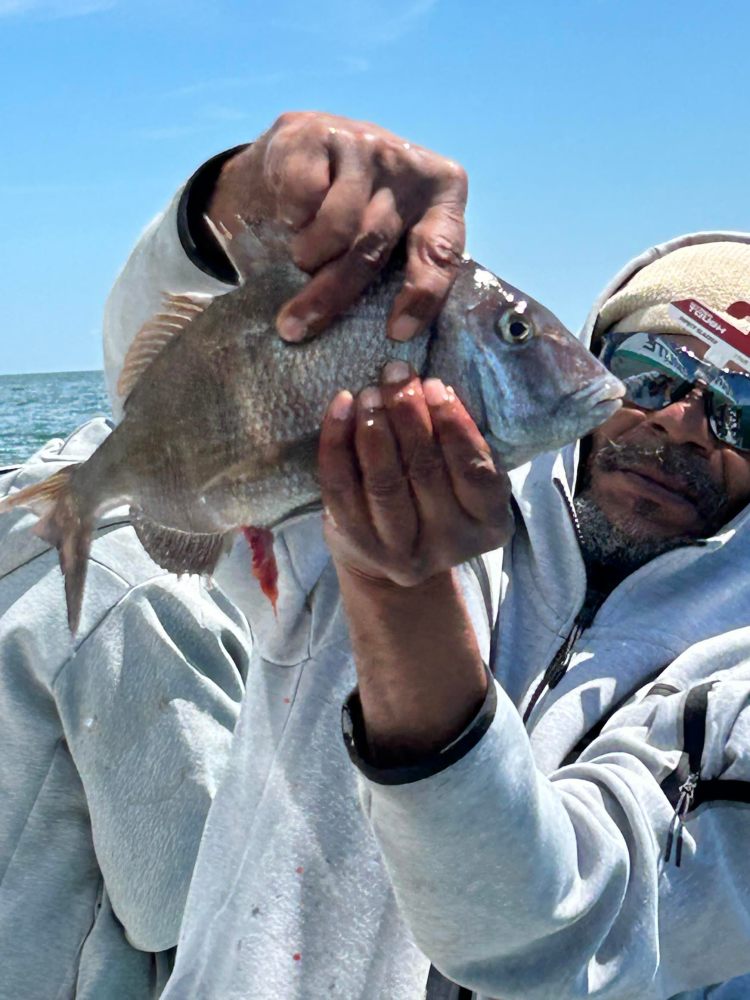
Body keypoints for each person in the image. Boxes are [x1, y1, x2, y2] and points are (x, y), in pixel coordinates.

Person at [133, 116, 750, 999]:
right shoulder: (359, 455)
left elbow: (540, 935)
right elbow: (168, 401)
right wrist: (231, 202)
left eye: (743, 408)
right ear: (600, 355)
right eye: (653, 369)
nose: (682, 423)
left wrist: (398, 591)